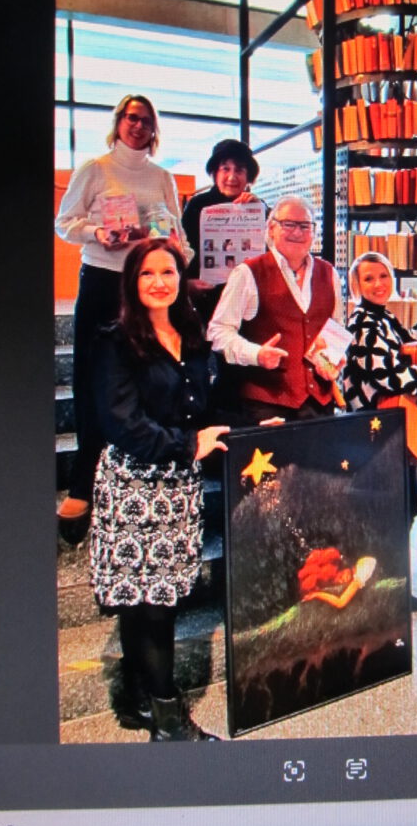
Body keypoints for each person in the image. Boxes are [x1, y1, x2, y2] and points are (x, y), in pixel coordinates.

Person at [91, 237, 230, 741]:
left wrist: (253, 431)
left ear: (180, 279)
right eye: (147, 273)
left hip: (178, 488)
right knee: (147, 603)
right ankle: (170, 723)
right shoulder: (116, 340)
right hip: (134, 486)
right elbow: (121, 422)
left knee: (156, 598)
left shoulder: (192, 337)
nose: (159, 282)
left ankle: (137, 702)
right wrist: (187, 444)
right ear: (132, 281)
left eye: (168, 272)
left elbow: (206, 411)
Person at [54, 94, 193, 526]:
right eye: (131, 118)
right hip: (103, 281)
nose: (138, 126)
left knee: (147, 379)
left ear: (154, 128)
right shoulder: (94, 169)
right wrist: (98, 231)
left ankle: (144, 463)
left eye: (146, 119)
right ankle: (82, 480)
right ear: (119, 123)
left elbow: (177, 232)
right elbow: (64, 222)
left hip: (149, 285)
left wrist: (181, 259)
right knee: (91, 379)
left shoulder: (162, 177)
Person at [342, 251, 417, 612]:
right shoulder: (363, 323)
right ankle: (384, 589)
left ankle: (389, 584)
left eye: (383, 276)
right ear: (356, 285)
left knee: (404, 504)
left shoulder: (382, 317)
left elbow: (408, 345)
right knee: (392, 507)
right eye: (368, 279)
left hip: (391, 424)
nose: (378, 284)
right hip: (377, 427)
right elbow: (385, 373)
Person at [207, 195, 343, 424]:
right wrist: (256, 354)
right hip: (266, 407)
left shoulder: (329, 273)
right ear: (271, 229)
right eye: (288, 224)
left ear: (314, 231)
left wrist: (332, 362)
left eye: (305, 226)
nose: (297, 232)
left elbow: (335, 328)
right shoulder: (248, 273)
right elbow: (218, 332)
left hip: (319, 406)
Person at [181, 138, 263, 324]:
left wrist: (260, 212)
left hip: (247, 302)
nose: (232, 177)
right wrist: (187, 284)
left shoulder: (258, 206)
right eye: (225, 169)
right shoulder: (197, 205)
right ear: (215, 173)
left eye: (240, 169)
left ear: (248, 175)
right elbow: (182, 249)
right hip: (205, 301)